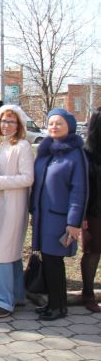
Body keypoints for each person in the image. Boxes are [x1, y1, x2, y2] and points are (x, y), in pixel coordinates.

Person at [31, 108, 88, 321]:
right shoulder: (46, 151)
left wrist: (74, 222)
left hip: (60, 219)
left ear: (69, 127)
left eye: (59, 123)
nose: (53, 127)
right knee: (48, 261)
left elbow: (80, 190)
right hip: (42, 217)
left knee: (55, 262)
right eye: (51, 123)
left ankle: (57, 307)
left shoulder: (75, 153)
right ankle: (56, 304)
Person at [0, 105, 34, 318]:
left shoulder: (21, 146)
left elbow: (27, 178)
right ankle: (17, 295)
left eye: (11, 122)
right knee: (11, 253)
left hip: (13, 204)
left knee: (2, 253)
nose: (6, 125)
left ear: (19, 125)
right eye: (3, 121)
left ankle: (4, 301)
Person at [81, 107, 101, 313]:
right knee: (92, 252)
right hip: (94, 211)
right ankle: (88, 294)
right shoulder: (87, 154)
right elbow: (83, 187)